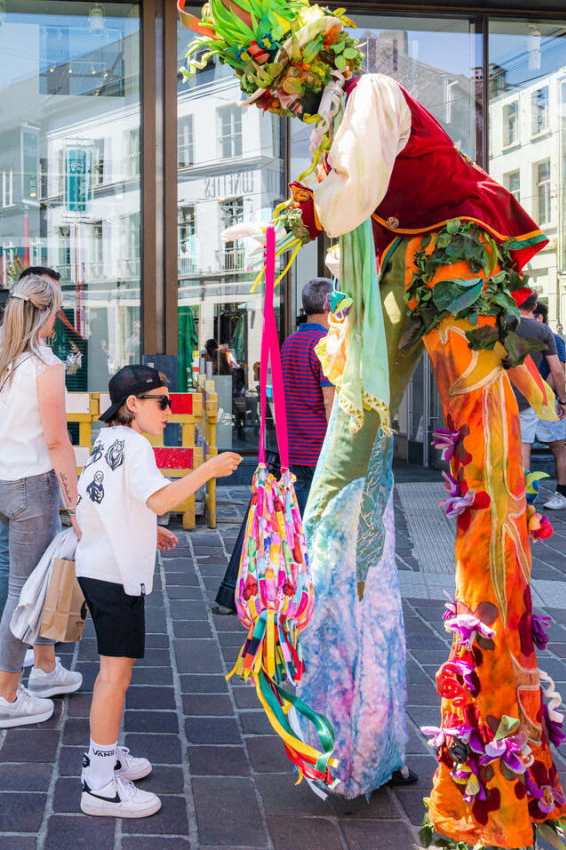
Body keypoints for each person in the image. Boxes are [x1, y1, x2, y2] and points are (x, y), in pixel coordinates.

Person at [180, 0, 566, 846]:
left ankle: (494, 745)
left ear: (305, 65)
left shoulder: (372, 98)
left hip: (452, 261)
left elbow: (346, 194)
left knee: (484, 479)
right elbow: (347, 197)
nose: (275, 101)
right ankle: (362, 708)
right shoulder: (341, 121)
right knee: (352, 461)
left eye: (274, 83)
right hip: (404, 271)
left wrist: (291, 211)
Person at [75, 364, 242, 817]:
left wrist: (148, 531)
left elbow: (94, 505)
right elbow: (161, 500)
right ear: (133, 405)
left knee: (116, 673)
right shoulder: (135, 446)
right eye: (162, 401)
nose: (171, 410)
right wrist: (209, 467)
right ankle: (99, 782)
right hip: (113, 574)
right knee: (115, 675)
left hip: (100, 567)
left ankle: (104, 756)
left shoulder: (107, 439)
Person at [0, 275, 83, 729]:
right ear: (46, 313)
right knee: (25, 593)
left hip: (2, 479)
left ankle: (46, 668)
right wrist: (76, 506)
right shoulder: (43, 363)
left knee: (21, 586)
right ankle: (7, 694)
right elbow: (57, 442)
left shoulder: (5, 357)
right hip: (32, 486)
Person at [281, 278, 334, 515]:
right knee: (320, 517)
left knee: (299, 515)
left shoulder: (290, 343)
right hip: (319, 445)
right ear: (329, 305)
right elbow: (329, 400)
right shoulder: (325, 344)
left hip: (293, 443)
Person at [528, 299, 566, 510]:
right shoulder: (525, 337)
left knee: (557, 446)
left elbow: (558, 371)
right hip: (528, 402)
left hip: (548, 402)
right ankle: (524, 494)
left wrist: (542, 395)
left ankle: (562, 494)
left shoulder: (553, 339)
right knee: (523, 447)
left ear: (540, 318)